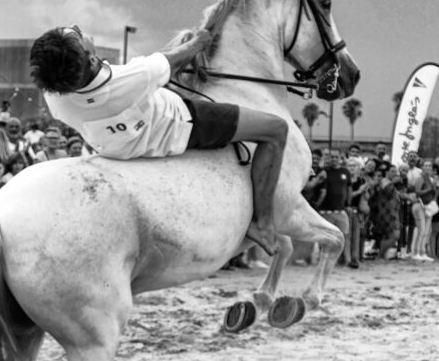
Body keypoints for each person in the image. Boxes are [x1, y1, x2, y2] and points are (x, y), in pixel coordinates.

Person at [29, 24, 289, 252]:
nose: (76, 26)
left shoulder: (55, 98)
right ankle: (262, 223)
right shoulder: (133, 77)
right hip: (177, 126)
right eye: (76, 34)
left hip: (113, 148)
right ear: (91, 57)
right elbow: (180, 56)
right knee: (275, 130)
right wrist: (201, 39)